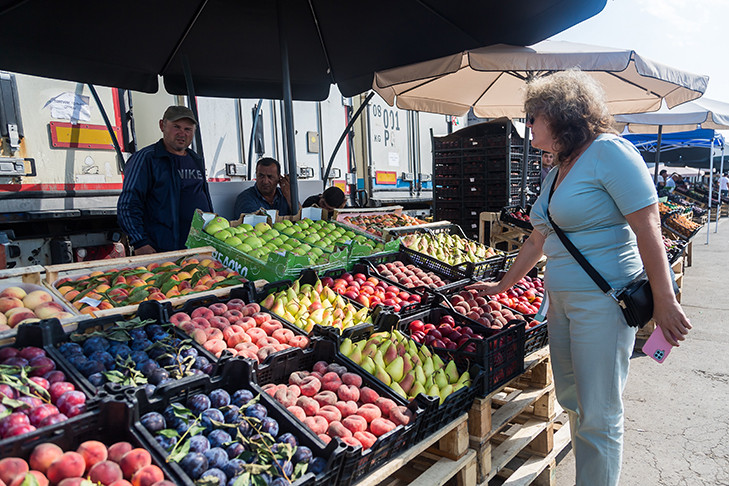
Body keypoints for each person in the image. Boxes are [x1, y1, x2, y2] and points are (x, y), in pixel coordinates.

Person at [467, 70, 691, 486]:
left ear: (562, 115)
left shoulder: (610, 154)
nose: (527, 125)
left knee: (600, 412)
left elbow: (648, 229)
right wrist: (503, 285)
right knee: (571, 400)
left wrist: (665, 299)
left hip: (602, 303)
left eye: (532, 116)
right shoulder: (558, 171)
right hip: (561, 305)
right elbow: (537, 241)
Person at [117, 106, 213, 255]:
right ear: (162, 125)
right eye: (176, 127)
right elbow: (128, 205)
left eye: (188, 129)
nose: (182, 133)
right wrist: (140, 242)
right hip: (161, 250)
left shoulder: (195, 159)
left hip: (197, 249)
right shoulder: (147, 158)